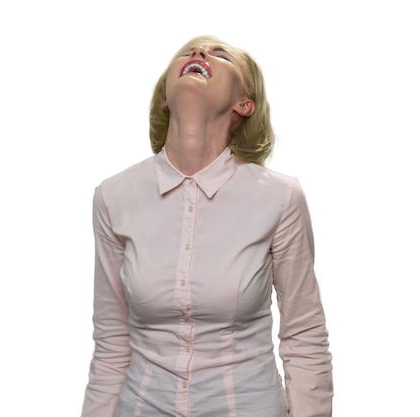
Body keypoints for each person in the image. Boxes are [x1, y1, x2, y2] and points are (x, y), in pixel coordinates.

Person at [81, 35, 333, 417]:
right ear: (165, 98)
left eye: (220, 54)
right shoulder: (114, 197)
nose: (199, 53)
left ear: (244, 105)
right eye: (188, 51)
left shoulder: (280, 198)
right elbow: (112, 341)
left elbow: (303, 333)